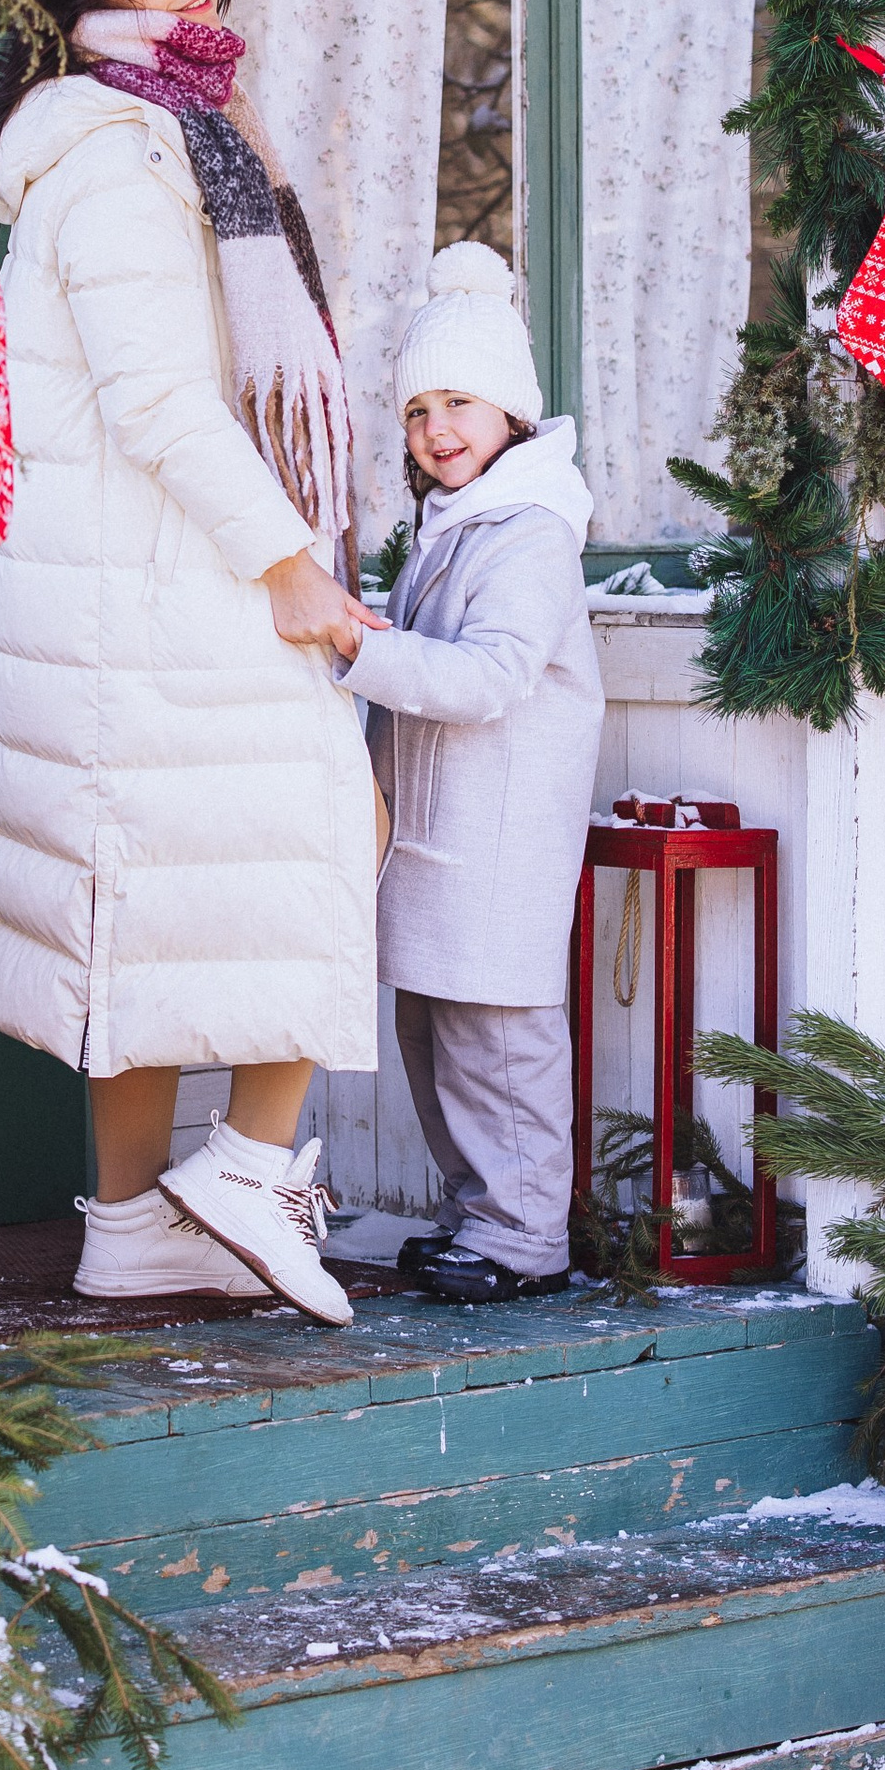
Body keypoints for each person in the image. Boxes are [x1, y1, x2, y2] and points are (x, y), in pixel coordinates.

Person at [0, 0, 380, 1327]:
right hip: (154, 581)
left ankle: (133, 1226)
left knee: (127, 908)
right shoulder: (124, 156)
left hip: (116, 586)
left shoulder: (182, 132)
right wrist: (292, 564)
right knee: (344, 812)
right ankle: (253, 1167)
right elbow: (158, 400)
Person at [337, 245, 605, 1304]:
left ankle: (526, 1235)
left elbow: (491, 674)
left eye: (459, 402)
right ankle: (476, 1214)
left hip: (499, 831)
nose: (436, 429)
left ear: (510, 413)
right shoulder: (453, 521)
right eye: (416, 411)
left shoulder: (530, 530)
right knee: (433, 1027)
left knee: (499, 1039)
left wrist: (361, 652)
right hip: (441, 828)